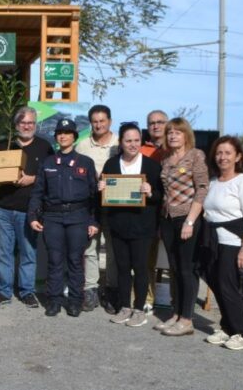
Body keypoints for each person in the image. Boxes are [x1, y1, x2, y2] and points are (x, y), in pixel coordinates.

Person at [28, 118, 99, 317]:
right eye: (60, 133)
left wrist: (94, 221)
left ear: (74, 137)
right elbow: (38, 192)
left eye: (67, 133)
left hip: (78, 217)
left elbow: (95, 195)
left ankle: (75, 301)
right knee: (55, 260)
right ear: (56, 137)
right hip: (53, 217)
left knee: (76, 261)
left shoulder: (86, 162)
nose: (63, 136)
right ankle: (54, 300)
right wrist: (33, 216)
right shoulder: (48, 162)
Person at [0, 106, 53, 309]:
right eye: (23, 122)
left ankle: (27, 292)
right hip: (4, 208)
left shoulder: (44, 147)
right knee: (2, 253)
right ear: (16, 125)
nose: (27, 126)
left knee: (28, 253)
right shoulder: (2, 145)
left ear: (35, 125)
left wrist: (32, 178)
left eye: (30, 123)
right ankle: (4, 291)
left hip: (29, 210)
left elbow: (50, 174)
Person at [99, 123, 163, 327]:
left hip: (143, 227)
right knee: (123, 268)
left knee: (141, 268)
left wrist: (151, 192)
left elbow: (161, 197)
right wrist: (100, 188)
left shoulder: (152, 166)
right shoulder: (111, 165)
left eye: (136, 140)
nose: (132, 144)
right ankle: (125, 307)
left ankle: (139, 309)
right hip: (118, 226)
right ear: (121, 142)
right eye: (128, 140)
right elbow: (104, 196)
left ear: (141, 142)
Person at [202, 136, 243, 350]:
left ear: (238, 157)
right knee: (217, 285)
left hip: (233, 243)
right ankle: (227, 328)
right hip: (213, 242)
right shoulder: (214, 181)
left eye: (227, 153)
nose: (222, 157)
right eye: (219, 153)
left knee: (229, 288)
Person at [157, 117, 209, 336]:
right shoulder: (166, 159)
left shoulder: (196, 156)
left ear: (186, 134)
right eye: (170, 132)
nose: (172, 136)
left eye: (177, 132)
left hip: (187, 218)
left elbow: (202, 188)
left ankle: (187, 319)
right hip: (168, 218)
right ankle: (176, 314)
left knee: (187, 269)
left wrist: (190, 220)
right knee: (174, 268)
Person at [75, 104, 118, 313]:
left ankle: (109, 289)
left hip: (115, 206)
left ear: (110, 121)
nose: (99, 125)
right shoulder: (82, 146)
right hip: (89, 204)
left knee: (111, 249)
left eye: (102, 121)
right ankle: (90, 288)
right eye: (95, 121)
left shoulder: (120, 144)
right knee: (90, 248)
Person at [141, 110, 169, 313]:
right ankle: (148, 298)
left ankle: (177, 301)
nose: (156, 126)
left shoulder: (176, 148)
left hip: (173, 213)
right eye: (152, 123)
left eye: (160, 122)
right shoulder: (141, 149)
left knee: (174, 261)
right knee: (147, 260)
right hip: (148, 212)